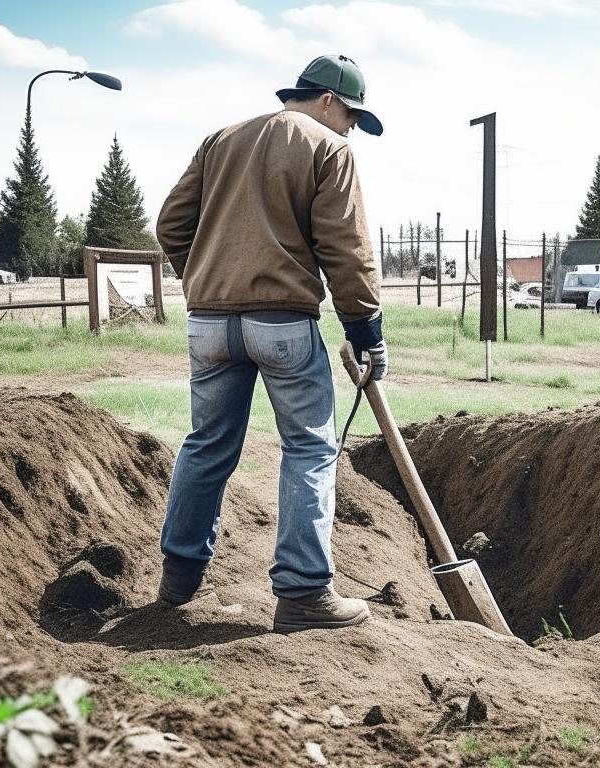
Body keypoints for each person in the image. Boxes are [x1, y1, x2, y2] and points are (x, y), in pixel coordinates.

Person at [153, 55, 387, 633]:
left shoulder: (220, 140)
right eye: (352, 116)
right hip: (281, 323)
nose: (352, 128)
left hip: (209, 323)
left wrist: (206, 280)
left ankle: (177, 579)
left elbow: (170, 226)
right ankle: (305, 593)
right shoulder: (329, 148)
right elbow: (347, 249)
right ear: (329, 101)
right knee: (309, 449)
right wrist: (365, 331)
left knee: (206, 443)